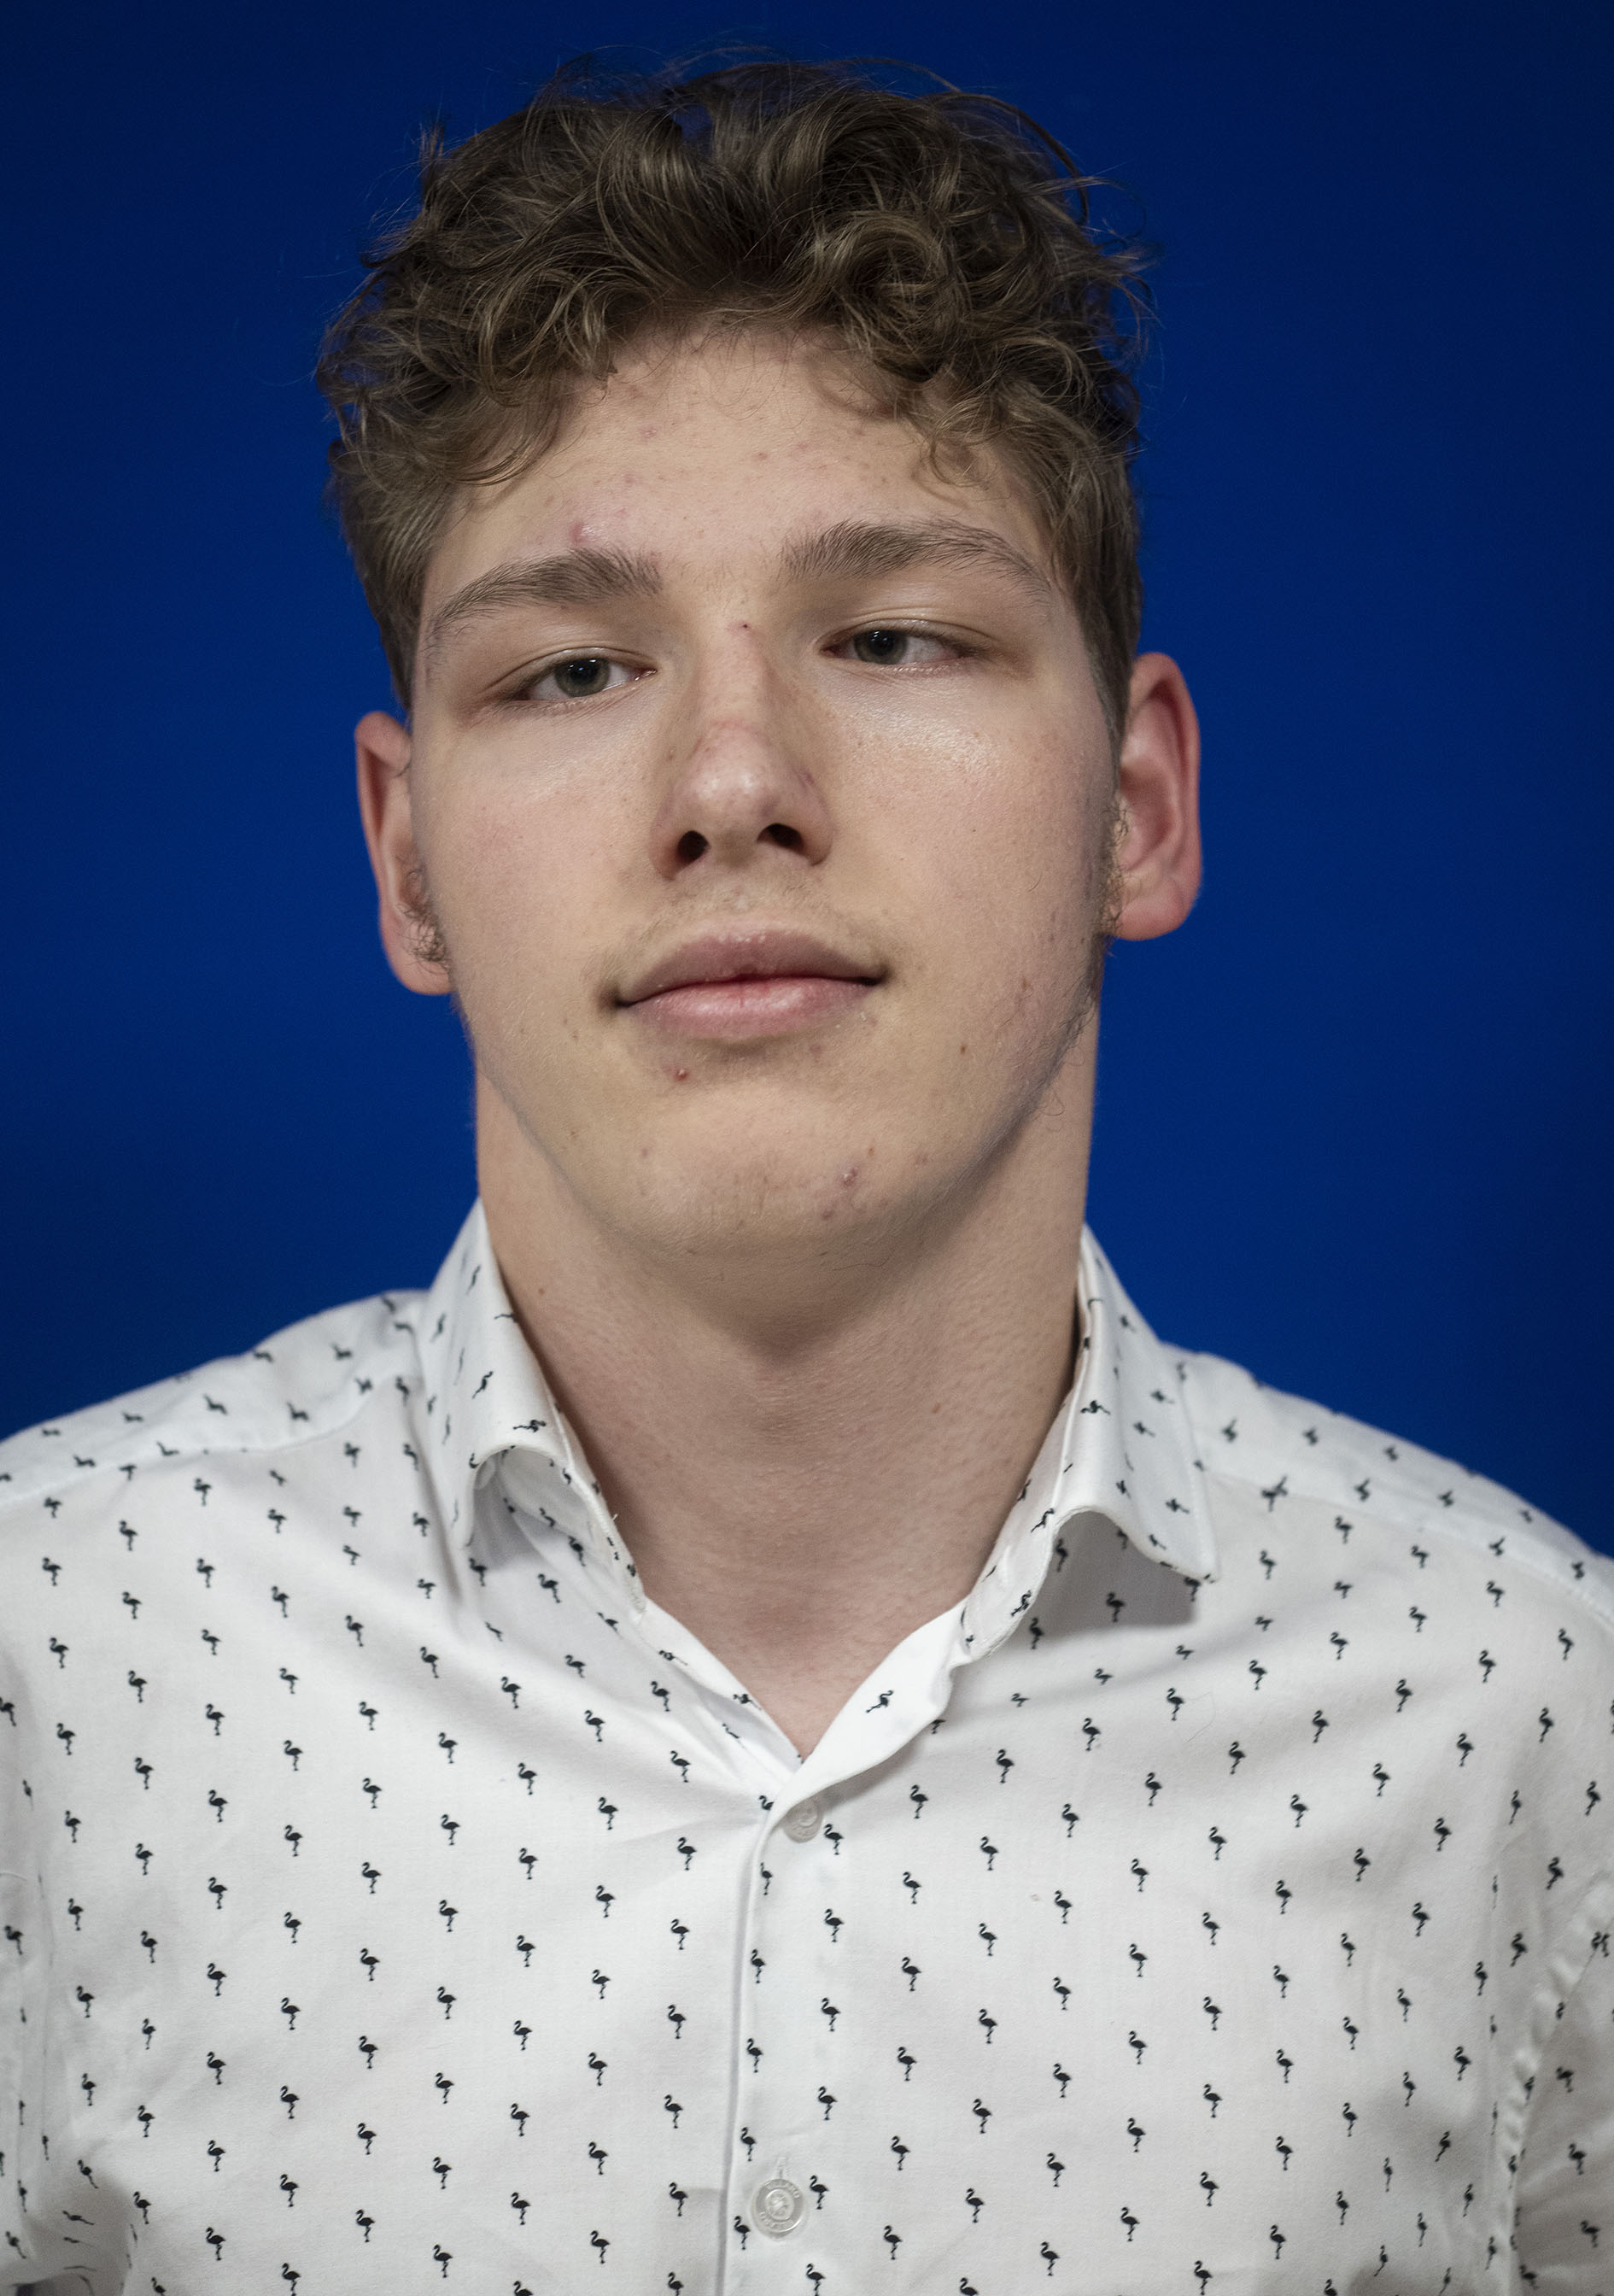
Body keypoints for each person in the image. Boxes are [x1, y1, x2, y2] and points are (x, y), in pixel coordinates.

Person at [2, 57, 1608, 2295]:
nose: (733, 779)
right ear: (408, 861)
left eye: (893, 637)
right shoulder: (49, 1656)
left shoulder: (1532, 1709)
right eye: (573, 669)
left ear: (1135, 808)